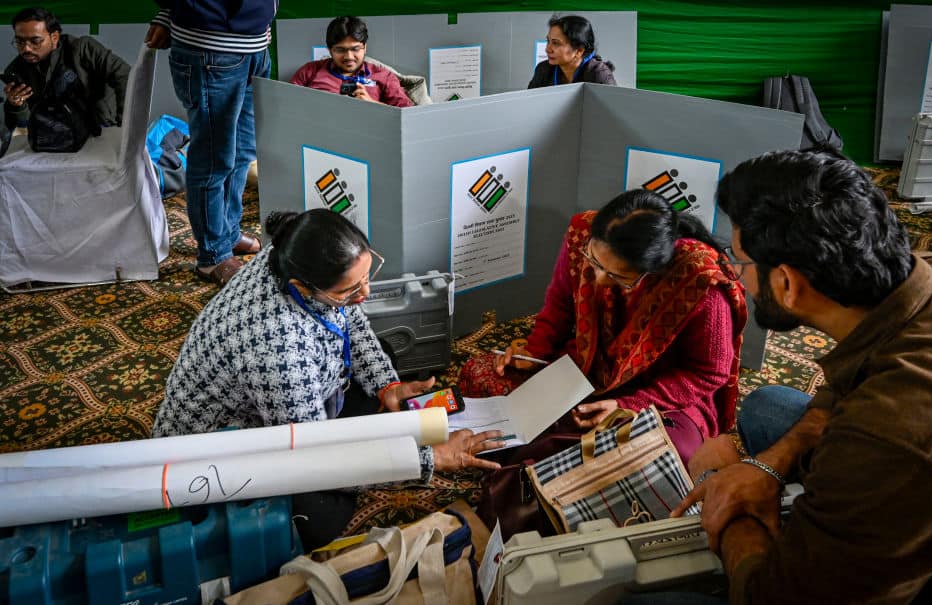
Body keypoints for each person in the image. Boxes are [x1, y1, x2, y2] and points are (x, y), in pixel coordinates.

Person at [625, 149, 932, 605]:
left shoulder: (891, 446)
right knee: (768, 405)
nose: (739, 276)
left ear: (788, 285)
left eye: (742, 263)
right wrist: (768, 463)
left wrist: (732, 507)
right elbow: (844, 384)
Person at [151, 209, 503, 549]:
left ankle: (368, 425)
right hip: (220, 453)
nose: (364, 293)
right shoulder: (278, 351)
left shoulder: (296, 254)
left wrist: (386, 384)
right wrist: (429, 459)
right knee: (318, 519)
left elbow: (350, 317)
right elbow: (316, 458)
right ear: (302, 287)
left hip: (292, 401)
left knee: (380, 357)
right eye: (349, 290)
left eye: (366, 276)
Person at [461, 189, 747, 465]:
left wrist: (631, 406)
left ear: (654, 270)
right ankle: (547, 455)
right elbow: (560, 305)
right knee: (481, 376)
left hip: (663, 395)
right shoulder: (582, 233)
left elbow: (709, 373)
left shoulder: (701, 284)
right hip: (587, 369)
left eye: (618, 276)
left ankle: (545, 457)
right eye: (594, 262)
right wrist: (534, 352)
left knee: (662, 452)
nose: (598, 279)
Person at [145, 0, 272, 286]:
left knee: (242, 152)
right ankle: (212, 255)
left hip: (256, 46)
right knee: (215, 158)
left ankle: (227, 232)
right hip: (211, 48)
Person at [3, 7, 130, 133]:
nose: (26, 49)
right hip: (57, 137)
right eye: (19, 41)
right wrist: (16, 106)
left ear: (54, 37)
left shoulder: (82, 49)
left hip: (100, 129)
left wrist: (125, 126)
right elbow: (22, 127)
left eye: (35, 41)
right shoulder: (15, 71)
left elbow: (125, 75)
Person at [290, 16, 413, 108]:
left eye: (355, 49)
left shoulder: (385, 77)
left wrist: (373, 104)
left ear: (364, 47)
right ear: (329, 49)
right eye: (340, 50)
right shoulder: (309, 72)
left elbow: (408, 115)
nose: (349, 56)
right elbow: (287, 105)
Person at [527, 15, 616, 89]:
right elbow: (528, 104)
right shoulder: (543, 69)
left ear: (579, 50)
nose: (547, 49)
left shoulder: (599, 74)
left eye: (556, 43)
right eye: (548, 41)